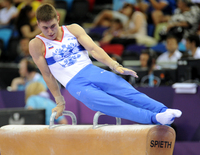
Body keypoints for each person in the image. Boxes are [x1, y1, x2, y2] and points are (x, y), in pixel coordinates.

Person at [29, 3, 182, 125]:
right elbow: (47, 74)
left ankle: (163, 110)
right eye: (45, 28)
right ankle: (155, 118)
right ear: (38, 24)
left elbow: (94, 49)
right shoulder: (36, 44)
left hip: (91, 70)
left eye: (52, 26)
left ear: (57, 18)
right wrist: (60, 101)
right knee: (114, 105)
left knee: (127, 91)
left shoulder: (73, 29)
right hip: (75, 84)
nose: (49, 31)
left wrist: (115, 65)